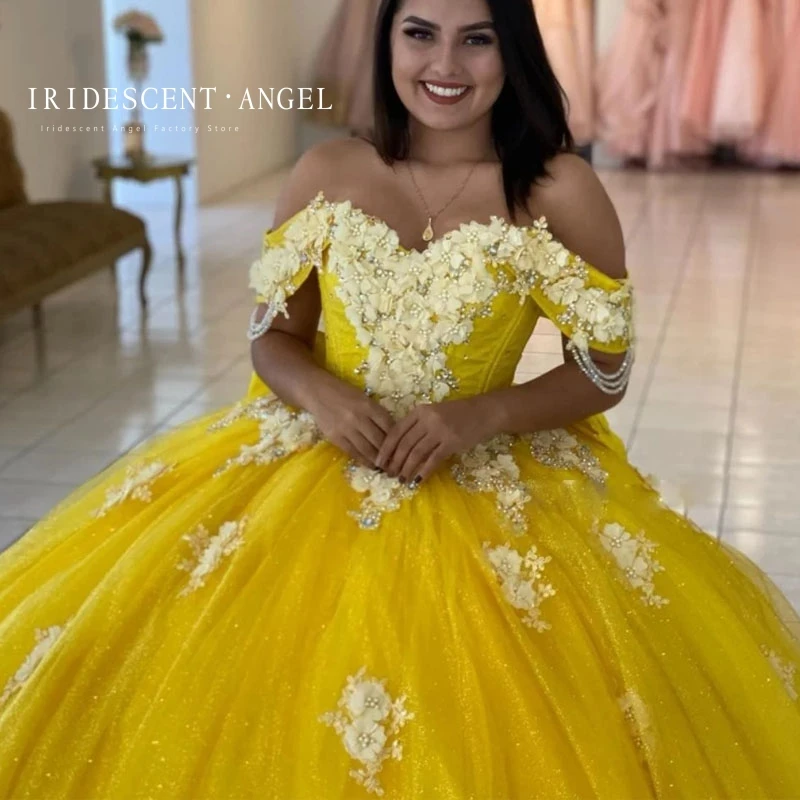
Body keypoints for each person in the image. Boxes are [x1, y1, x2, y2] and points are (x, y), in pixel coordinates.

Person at [1, 0, 799, 796]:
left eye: (476, 40)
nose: (444, 66)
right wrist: (322, 394)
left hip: (485, 471)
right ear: (385, 42)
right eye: (419, 33)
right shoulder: (328, 173)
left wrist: (481, 414)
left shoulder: (560, 189)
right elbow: (273, 337)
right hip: (317, 459)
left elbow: (606, 372)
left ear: (511, 51)